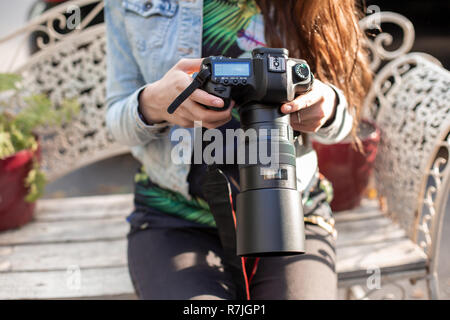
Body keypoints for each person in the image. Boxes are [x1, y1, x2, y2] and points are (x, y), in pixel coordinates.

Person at [104, 0, 372, 300]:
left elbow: (347, 120)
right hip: (177, 214)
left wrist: (328, 107)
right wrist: (151, 103)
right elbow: (115, 120)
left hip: (291, 209)